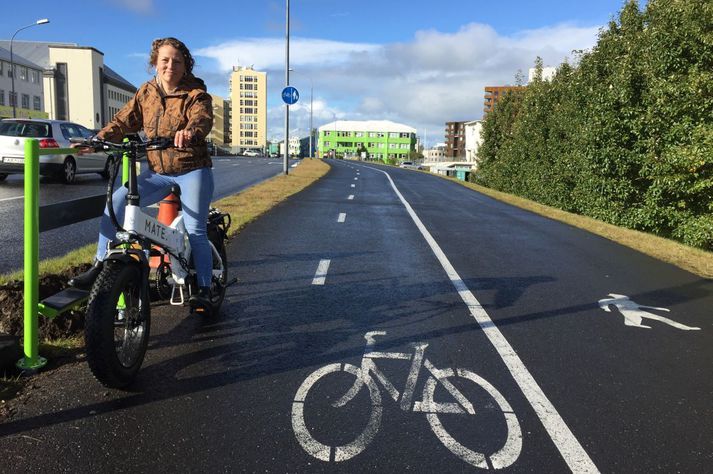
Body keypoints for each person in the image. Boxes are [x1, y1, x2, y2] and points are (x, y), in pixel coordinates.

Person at [70, 37, 215, 312]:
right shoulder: (146, 92)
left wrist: (190, 132)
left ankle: (205, 289)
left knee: (196, 229)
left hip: (192, 169)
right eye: (165, 60)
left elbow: (202, 118)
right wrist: (98, 140)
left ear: (186, 66)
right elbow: (124, 120)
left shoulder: (195, 94)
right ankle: (100, 265)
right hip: (159, 171)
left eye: (177, 61)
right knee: (116, 203)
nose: (170, 65)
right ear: (155, 63)